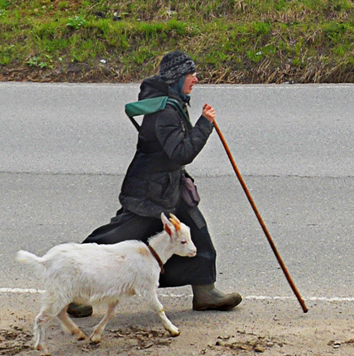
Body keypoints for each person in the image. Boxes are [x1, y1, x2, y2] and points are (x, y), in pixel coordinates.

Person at [73, 51, 242, 312]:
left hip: (169, 187)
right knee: (115, 239)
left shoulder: (172, 101)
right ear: (176, 78)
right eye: (190, 74)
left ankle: (205, 291)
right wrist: (205, 124)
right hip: (149, 192)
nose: (196, 79)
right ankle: (76, 287)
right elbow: (181, 153)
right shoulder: (164, 111)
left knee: (197, 232)